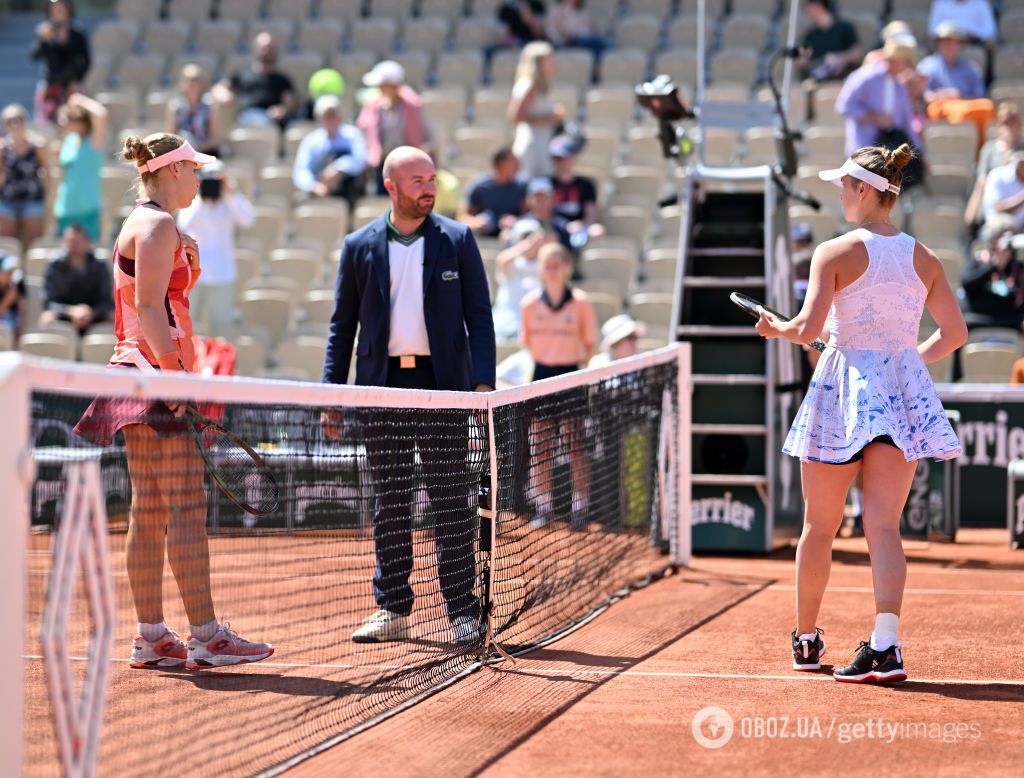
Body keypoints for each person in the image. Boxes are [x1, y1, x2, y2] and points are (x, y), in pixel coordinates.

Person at [755, 143, 966, 683]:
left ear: (866, 190)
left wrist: (776, 328)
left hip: (843, 391)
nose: (840, 194)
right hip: (899, 393)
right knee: (884, 528)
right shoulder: (926, 258)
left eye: (845, 186)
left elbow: (805, 331)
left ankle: (806, 640)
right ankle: (887, 644)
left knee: (819, 525)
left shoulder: (834, 251)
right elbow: (956, 334)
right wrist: (906, 361)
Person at [73, 133, 272, 670]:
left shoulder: (149, 223)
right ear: (170, 171)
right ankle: (206, 637)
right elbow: (149, 310)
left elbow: (158, 303)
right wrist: (175, 379)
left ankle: (152, 636)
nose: (199, 177)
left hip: (136, 372)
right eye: (192, 169)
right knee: (184, 505)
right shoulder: (158, 225)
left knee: (151, 506)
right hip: (153, 375)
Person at [321, 146, 495, 646]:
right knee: (390, 501)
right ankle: (393, 607)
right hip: (382, 387)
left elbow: (479, 317)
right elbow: (342, 327)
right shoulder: (359, 245)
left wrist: (481, 387)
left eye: (432, 179)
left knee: (449, 501)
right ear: (391, 185)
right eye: (416, 180)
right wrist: (333, 394)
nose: (428, 188)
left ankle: (462, 610)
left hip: (444, 391)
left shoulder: (458, 240)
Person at [520, 241, 597, 526]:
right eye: (547, 266)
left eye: (557, 265)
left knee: (575, 443)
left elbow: (589, 344)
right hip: (540, 377)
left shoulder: (580, 303)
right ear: (540, 270)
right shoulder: (528, 305)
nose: (552, 271)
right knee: (540, 444)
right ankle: (543, 507)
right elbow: (527, 341)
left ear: (567, 268)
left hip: (570, 376)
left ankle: (580, 508)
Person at [175, 161, 254, 336]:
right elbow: (183, 223)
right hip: (193, 274)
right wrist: (200, 196)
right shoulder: (194, 200)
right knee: (188, 325)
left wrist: (230, 193)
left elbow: (248, 219)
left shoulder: (229, 199)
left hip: (221, 274)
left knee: (222, 330)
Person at [835, 41, 923, 160]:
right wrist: (874, 117)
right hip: (863, 151)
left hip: (888, 153)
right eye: (905, 62)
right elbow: (844, 105)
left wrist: (920, 153)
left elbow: (906, 122)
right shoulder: (865, 77)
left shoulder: (900, 86)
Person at [357, 61, 433, 196]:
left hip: (407, 166)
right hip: (382, 164)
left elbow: (424, 136)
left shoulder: (413, 107)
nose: (379, 88)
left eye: (383, 85)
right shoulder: (375, 106)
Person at [917, 22, 994, 146]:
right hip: (940, 108)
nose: (949, 45)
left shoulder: (971, 69)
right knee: (957, 114)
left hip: (966, 107)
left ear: (959, 44)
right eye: (945, 42)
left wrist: (960, 97)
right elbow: (922, 95)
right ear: (939, 44)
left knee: (987, 107)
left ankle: (979, 153)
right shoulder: (927, 66)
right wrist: (943, 95)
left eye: (953, 42)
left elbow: (979, 96)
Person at [292, 95, 367, 209]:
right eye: (326, 116)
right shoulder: (312, 140)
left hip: (348, 191)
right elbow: (301, 170)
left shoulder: (352, 135)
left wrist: (338, 168)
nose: (331, 119)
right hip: (319, 191)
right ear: (319, 118)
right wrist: (314, 186)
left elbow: (360, 160)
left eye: (333, 115)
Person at [39, 223, 113, 334]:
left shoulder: (99, 265)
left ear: (87, 242)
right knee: (46, 318)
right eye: (71, 241)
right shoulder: (55, 265)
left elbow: (106, 300)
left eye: (78, 241)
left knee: (113, 318)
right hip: (64, 315)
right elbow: (49, 301)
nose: (74, 245)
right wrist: (71, 311)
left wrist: (91, 312)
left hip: (94, 315)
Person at [213, 33, 295, 128]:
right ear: (256, 49)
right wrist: (224, 94)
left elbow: (289, 101)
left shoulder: (282, 79)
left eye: (271, 48)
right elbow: (220, 87)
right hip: (246, 115)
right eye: (264, 48)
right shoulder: (242, 74)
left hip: (271, 117)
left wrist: (282, 110)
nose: (267, 51)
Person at [53, 93, 106, 242]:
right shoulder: (69, 141)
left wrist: (79, 99)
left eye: (69, 119)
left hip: (88, 208)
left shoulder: (93, 141)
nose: (63, 122)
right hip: (66, 208)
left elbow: (101, 114)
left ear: (81, 122)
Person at [508, 41, 563, 180]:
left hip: (542, 143)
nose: (553, 65)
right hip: (532, 146)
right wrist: (547, 119)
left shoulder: (542, 87)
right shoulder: (528, 86)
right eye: (548, 61)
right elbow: (515, 116)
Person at [959, 215, 1024, 332]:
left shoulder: (1016, 266)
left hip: (1008, 322)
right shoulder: (980, 261)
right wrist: (995, 266)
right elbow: (967, 283)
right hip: (978, 320)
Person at [30, 0, 89, 125]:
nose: (58, 13)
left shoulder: (77, 33)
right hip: (51, 83)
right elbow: (34, 56)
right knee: (45, 121)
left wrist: (77, 80)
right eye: (54, 10)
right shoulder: (45, 31)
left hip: (72, 84)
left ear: (68, 10)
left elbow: (86, 60)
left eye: (61, 9)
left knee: (75, 120)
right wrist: (43, 39)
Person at [966, 103, 1024, 229]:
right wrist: (971, 213)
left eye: (1012, 122)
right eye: (1004, 122)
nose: (1008, 126)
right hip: (993, 209)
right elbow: (982, 182)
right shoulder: (990, 149)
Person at [0, 103, 49, 249]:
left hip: (32, 199)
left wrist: (48, 196)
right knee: (6, 242)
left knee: (34, 240)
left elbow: (47, 171)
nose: (15, 124)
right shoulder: (3, 148)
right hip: (8, 199)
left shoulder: (37, 146)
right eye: (10, 121)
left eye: (18, 119)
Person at [493, 218, 550, 339]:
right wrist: (524, 247)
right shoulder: (512, 261)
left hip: (536, 321)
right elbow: (501, 260)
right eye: (524, 237)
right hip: (507, 320)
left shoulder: (545, 264)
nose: (530, 241)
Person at [548, 134, 603, 250]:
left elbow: (591, 214)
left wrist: (582, 225)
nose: (559, 162)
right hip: (555, 228)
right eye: (555, 158)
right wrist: (564, 226)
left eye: (562, 158)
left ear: (572, 157)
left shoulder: (586, 185)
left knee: (597, 231)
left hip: (579, 229)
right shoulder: (547, 183)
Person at [462, 147, 525, 237]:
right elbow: (463, 216)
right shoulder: (480, 186)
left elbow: (527, 214)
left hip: (510, 234)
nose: (517, 164)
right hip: (482, 235)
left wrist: (515, 221)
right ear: (501, 163)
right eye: (512, 160)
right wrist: (476, 222)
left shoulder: (519, 186)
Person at [798, 0, 861, 83]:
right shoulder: (809, 35)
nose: (807, 12)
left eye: (809, 6)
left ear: (819, 6)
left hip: (844, 78)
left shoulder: (845, 28)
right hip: (819, 78)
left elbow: (857, 53)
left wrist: (839, 58)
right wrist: (816, 62)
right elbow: (802, 60)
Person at [166, 64, 220, 157]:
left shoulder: (209, 106)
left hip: (204, 153)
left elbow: (214, 139)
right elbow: (170, 136)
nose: (192, 84)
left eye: (196, 80)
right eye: (188, 80)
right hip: (182, 154)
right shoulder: (175, 106)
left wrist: (197, 149)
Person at [545, 0, 606, 76]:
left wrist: (578, 33)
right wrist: (562, 41)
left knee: (597, 48)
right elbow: (552, 32)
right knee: (598, 44)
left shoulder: (583, 12)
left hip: (583, 41)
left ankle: (596, 74)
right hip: (566, 43)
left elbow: (588, 30)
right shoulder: (555, 10)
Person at [980, 151, 1024, 233]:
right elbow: (998, 208)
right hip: (998, 228)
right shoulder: (998, 175)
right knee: (1002, 226)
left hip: (1021, 230)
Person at [0, 252, 26, 337]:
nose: (9, 275)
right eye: (6, 272)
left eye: (11, 272)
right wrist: (8, 299)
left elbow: (22, 316)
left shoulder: (15, 285)